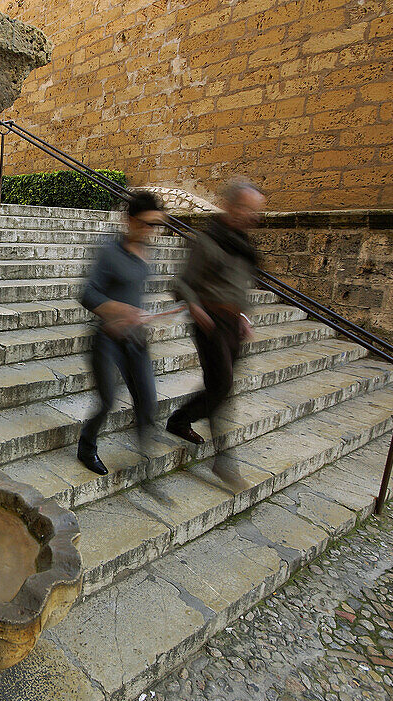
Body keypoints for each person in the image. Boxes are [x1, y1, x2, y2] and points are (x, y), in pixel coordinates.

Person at [165, 178, 265, 483]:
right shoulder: (206, 241)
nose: (252, 217)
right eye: (247, 209)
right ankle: (224, 461)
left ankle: (180, 419)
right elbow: (182, 283)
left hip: (232, 325)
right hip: (209, 322)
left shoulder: (242, 246)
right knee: (222, 386)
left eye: (256, 211)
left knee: (220, 388)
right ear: (231, 206)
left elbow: (239, 287)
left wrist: (244, 317)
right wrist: (194, 306)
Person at [77, 191, 166, 475]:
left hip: (135, 338)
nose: (150, 231)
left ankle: (145, 453)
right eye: (146, 224)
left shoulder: (145, 252)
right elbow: (88, 293)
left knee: (147, 398)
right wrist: (118, 310)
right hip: (107, 339)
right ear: (129, 221)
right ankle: (86, 447)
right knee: (107, 400)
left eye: (155, 225)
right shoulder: (110, 251)